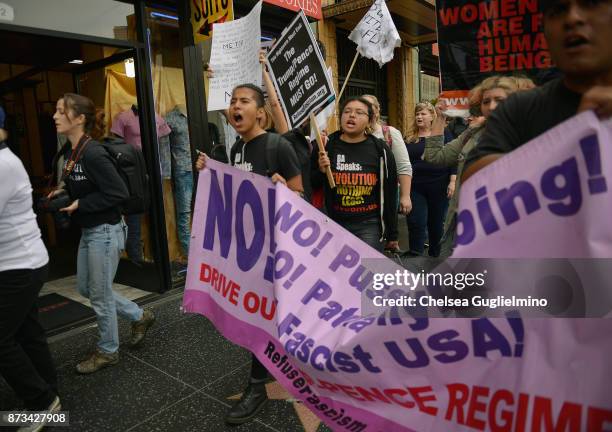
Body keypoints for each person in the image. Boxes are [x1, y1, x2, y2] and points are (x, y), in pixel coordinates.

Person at [196, 83, 303, 424]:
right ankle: (267, 375)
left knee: (271, 317)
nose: (235, 106)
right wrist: (211, 172)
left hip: (277, 252)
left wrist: (284, 191)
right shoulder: (236, 151)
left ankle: (258, 386)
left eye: (243, 101)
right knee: (263, 316)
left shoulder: (278, 145)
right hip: (249, 251)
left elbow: (301, 195)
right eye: (232, 101)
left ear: (260, 111)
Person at [49, 93, 155, 374]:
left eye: (62, 111)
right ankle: (139, 315)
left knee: (98, 294)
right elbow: (85, 185)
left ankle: (108, 351)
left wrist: (80, 203)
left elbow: (117, 192)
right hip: (90, 230)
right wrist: (63, 193)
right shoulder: (73, 152)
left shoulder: (93, 152)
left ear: (80, 119)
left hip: (105, 231)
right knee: (87, 288)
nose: (55, 116)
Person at [464, 0, 612, 179]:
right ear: (545, 34)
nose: (572, 18)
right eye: (558, 10)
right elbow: (473, 183)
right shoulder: (518, 109)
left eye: (591, 4)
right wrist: (574, 136)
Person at [424, 76, 535, 256]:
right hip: (463, 226)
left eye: (500, 100)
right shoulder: (472, 133)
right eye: (486, 101)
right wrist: (440, 118)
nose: (491, 106)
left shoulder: (532, 134)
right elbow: (434, 156)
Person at [1, 122, 62, 431]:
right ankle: (49, 390)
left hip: (19, 265)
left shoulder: (2, 163)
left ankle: (41, 402)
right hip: (18, 263)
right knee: (27, 331)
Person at [315, 96, 398, 252]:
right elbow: (311, 185)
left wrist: (392, 233)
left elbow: (390, 191)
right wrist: (321, 171)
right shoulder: (326, 146)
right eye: (347, 111)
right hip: (334, 223)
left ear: (369, 120)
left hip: (369, 225)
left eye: (359, 112)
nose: (351, 115)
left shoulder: (380, 150)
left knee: (366, 273)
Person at [361, 94, 413, 252]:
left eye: (370, 107)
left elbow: (404, 167)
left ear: (377, 111)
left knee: (380, 236)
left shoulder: (389, 134)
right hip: (359, 196)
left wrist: (405, 196)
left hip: (385, 196)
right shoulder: (351, 134)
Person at [404, 102, 457, 257]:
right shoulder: (409, 137)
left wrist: (452, 182)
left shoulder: (443, 134)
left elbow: (452, 159)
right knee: (416, 222)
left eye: (423, 113)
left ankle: (435, 257)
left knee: (436, 224)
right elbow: (402, 161)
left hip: (439, 185)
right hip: (415, 186)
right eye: (417, 114)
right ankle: (416, 256)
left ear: (433, 116)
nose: (419, 116)